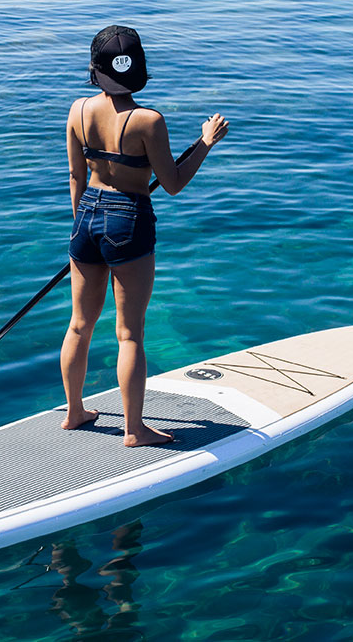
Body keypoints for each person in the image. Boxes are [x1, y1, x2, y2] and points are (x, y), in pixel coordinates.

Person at [60, 25, 228, 446]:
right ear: (139, 71)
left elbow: (76, 176)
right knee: (129, 333)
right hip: (128, 219)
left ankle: (75, 412)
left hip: (86, 216)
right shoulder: (149, 121)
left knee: (79, 324)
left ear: (95, 71)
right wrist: (205, 142)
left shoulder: (78, 110)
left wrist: (81, 227)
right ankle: (134, 430)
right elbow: (172, 183)